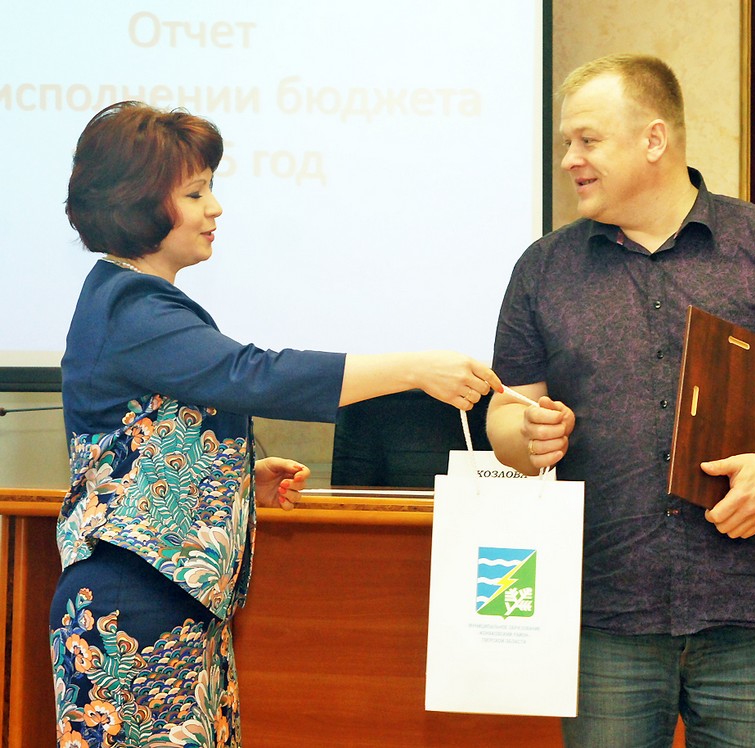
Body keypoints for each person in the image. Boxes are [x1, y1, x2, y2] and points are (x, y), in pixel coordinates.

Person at [51, 100, 501, 747]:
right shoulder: (131, 304)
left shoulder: (133, 301)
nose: (215, 208)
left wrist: (230, 478)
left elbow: (146, 434)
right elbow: (251, 373)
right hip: (133, 607)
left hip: (170, 603)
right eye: (195, 192)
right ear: (140, 200)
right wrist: (414, 370)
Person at [486, 54, 755, 747]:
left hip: (753, 614)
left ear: (654, 139)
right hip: (603, 616)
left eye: (587, 140)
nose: (569, 159)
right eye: (566, 143)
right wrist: (527, 435)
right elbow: (506, 416)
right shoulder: (543, 268)